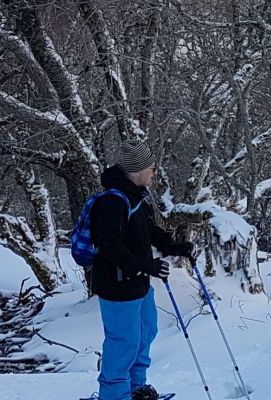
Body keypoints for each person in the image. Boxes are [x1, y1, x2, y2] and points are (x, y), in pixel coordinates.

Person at [86, 144, 193, 400]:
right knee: (123, 343)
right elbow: (109, 246)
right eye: (151, 168)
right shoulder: (112, 201)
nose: (155, 172)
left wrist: (174, 246)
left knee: (146, 333)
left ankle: (135, 387)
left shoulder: (136, 197)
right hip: (117, 286)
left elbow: (148, 231)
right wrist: (148, 266)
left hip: (138, 283)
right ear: (137, 170)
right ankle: (114, 395)